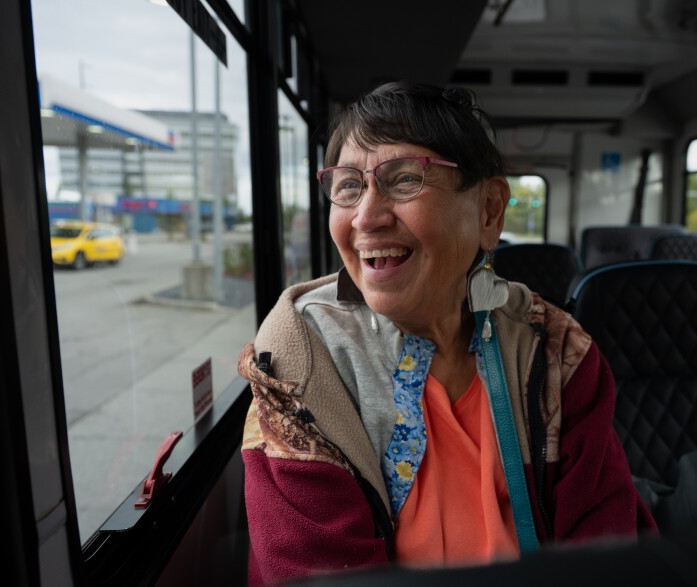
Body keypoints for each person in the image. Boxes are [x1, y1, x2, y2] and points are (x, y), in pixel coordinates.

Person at [238, 81, 657, 585]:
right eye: (348, 185)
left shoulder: (557, 355)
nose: (366, 216)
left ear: (488, 211)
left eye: (404, 179)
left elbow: (605, 553)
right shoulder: (299, 372)